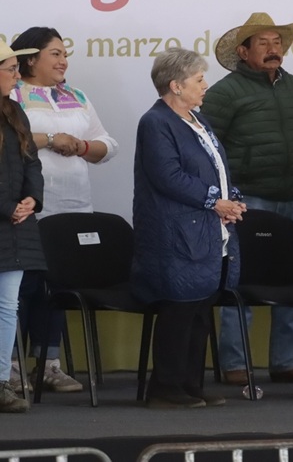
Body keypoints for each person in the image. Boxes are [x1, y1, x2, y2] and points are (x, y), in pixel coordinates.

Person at [132, 47, 246, 408]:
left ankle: (191, 385)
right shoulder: (156, 122)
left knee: (200, 309)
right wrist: (215, 201)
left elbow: (216, 168)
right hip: (176, 231)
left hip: (206, 229)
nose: (205, 85)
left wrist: (232, 198)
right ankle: (165, 388)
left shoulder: (197, 119)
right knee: (179, 308)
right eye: (199, 79)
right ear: (176, 85)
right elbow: (167, 176)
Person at [201, 12, 293, 386]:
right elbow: (208, 147)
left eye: (277, 42)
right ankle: (235, 362)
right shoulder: (225, 92)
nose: (272, 48)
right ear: (243, 51)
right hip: (248, 198)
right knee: (241, 279)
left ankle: (288, 360)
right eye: (263, 43)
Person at [8, 27, 119, 395]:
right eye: (55, 54)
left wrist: (82, 146)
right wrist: (53, 140)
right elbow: (9, 138)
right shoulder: (12, 94)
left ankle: (49, 364)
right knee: (21, 286)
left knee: (56, 284)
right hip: (29, 207)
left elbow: (108, 145)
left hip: (74, 207)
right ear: (30, 59)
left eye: (64, 54)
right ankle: (10, 366)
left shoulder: (76, 96)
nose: (63, 61)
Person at [0, 40, 44, 413]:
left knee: (7, 305)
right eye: (11, 69)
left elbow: (31, 161)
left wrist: (32, 199)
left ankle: (1, 382)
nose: (18, 75)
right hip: (7, 217)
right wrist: (7, 207)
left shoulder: (15, 111)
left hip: (16, 226)